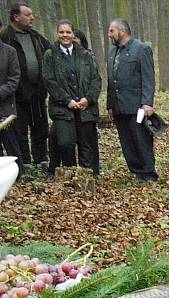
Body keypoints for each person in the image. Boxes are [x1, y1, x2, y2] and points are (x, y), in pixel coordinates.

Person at [42, 19, 101, 177]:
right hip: (62, 109)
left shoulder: (84, 55)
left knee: (86, 145)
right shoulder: (50, 55)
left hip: (85, 108)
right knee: (65, 143)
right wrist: (67, 100)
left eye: (68, 32)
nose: (65, 35)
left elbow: (96, 79)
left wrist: (87, 99)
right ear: (57, 34)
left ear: (73, 34)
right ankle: (70, 174)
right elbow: (49, 81)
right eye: (61, 32)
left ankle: (87, 176)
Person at [0, 3, 51, 169]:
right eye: (28, 14)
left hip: (37, 92)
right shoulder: (5, 36)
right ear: (16, 17)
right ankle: (25, 163)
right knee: (19, 131)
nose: (32, 17)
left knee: (40, 128)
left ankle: (41, 160)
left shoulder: (36, 37)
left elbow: (51, 52)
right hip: (15, 94)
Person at [106, 18, 158, 181]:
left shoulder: (141, 49)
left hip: (137, 106)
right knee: (126, 141)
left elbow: (148, 77)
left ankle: (149, 173)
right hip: (118, 106)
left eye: (111, 31)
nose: (109, 34)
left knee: (141, 139)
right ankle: (137, 172)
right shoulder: (112, 52)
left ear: (122, 31)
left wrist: (147, 103)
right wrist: (109, 105)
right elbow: (110, 80)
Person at [0, 18, 22, 176]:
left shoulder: (9, 51)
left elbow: (14, 79)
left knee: (12, 143)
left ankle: (18, 174)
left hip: (6, 108)